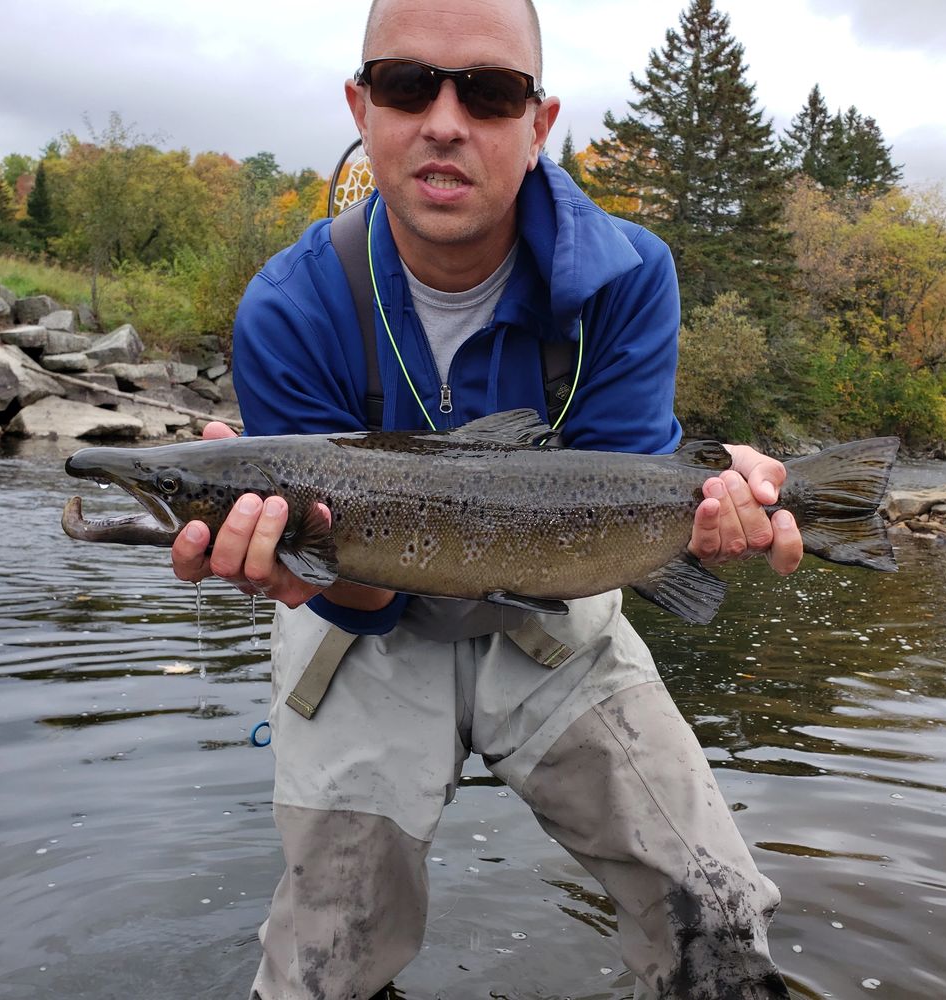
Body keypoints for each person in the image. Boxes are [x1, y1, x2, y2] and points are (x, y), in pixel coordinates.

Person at [173, 1, 803, 996]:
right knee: (321, 966)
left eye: (491, 91)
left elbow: (627, 498)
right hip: (362, 622)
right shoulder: (287, 308)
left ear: (539, 121)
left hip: (560, 602)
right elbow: (353, 599)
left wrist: (722, 502)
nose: (446, 120)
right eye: (408, 84)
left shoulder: (629, 277)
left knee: (717, 921)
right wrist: (301, 567)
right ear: (361, 104)